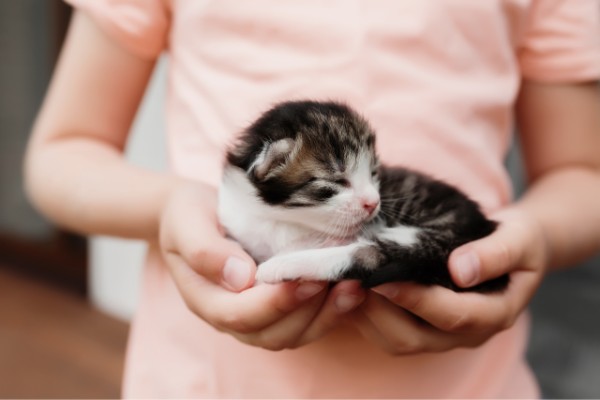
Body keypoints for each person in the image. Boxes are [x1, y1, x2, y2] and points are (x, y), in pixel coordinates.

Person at [25, 0, 600, 398]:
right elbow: (62, 152)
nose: (368, 199)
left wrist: (535, 236)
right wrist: (172, 206)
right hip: (208, 378)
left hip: (469, 382)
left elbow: (583, 173)